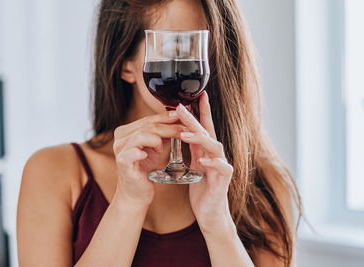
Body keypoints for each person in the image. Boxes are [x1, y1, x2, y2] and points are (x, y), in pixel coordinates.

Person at [17, 0, 301, 266]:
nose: (195, 66)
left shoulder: (265, 185)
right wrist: (128, 203)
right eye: (175, 47)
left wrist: (218, 222)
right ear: (125, 63)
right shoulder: (53, 172)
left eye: (204, 49)